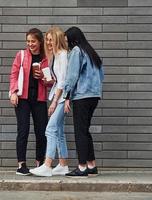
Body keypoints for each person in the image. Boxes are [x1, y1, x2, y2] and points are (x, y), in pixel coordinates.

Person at [63, 26, 104, 177]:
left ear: (73, 40)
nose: (67, 44)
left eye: (67, 41)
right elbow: (101, 76)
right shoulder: (92, 53)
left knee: (80, 131)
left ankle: (81, 167)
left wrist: (67, 95)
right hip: (94, 96)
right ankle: (92, 165)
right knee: (85, 130)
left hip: (81, 96)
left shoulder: (76, 51)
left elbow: (72, 76)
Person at [30, 27, 69, 177]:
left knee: (50, 129)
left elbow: (63, 82)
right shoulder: (56, 56)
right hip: (58, 95)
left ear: (58, 39)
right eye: (47, 39)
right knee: (58, 131)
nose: (48, 42)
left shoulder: (63, 55)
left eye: (51, 39)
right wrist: (49, 79)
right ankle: (63, 165)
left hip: (60, 98)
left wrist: (54, 102)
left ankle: (47, 165)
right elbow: (58, 79)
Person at [9, 28, 49, 175]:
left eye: (33, 41)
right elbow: (13, 75)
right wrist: (13, 92)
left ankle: (40, 163)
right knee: (23, 130)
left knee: (41, 132)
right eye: (28, 41)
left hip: (39, 98)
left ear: (40, 42)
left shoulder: (46, 58)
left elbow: (51, 82)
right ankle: (21, 164)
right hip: (22, 98)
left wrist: (43, 79)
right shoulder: (21, 55)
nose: (30, 44)